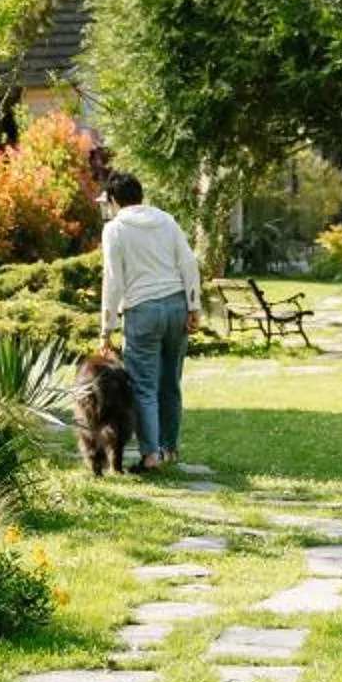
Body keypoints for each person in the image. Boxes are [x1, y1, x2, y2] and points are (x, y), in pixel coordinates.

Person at [97, 172, 200, 472]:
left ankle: (151, 456)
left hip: (143, 311)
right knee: (171, 383)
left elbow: (113, 281)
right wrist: (194, 306)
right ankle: (169, 450)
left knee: (143, 386)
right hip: (177, 305)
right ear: (140, 195)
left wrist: (107, 329)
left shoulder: (114, 229)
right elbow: (188, 262)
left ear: (114, 200)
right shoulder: (166, 220)